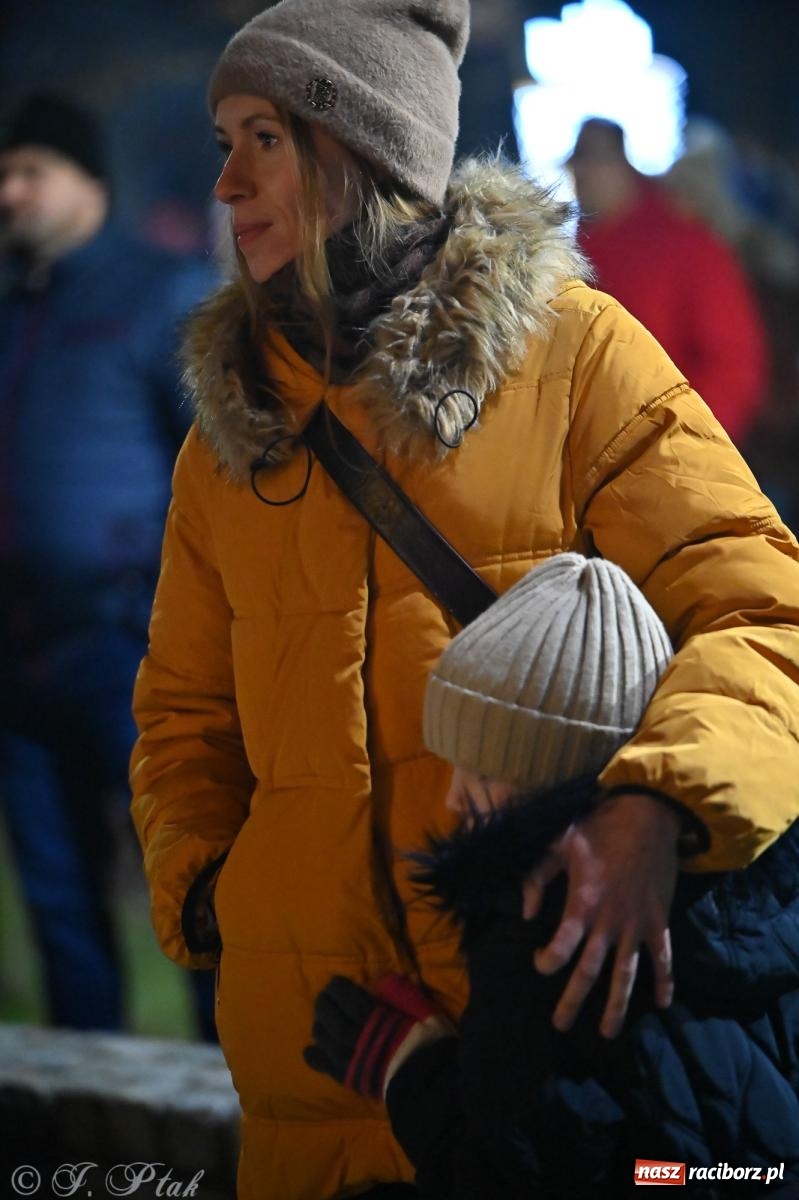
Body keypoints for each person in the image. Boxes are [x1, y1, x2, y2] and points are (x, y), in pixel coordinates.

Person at [129, 2, 799, 1196]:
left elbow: (764, 613)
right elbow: (183, 711)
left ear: (361, 151)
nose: (226, 180)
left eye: (263, 139)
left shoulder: (574, 354)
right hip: (314, 1069)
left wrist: (659, 811)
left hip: (537, 1055)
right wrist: (222, 895)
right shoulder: (231, 428)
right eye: (223, 138)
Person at [305, 554, 799, 1198]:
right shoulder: (756, 889)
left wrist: (410, 1064)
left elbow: (520, 1176)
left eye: (482, 774)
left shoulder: (551, 931)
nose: (456, 799)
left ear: (555, 776)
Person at [0, 93, 217, 1034]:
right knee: (58, 903)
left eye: (30, 172)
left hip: (129, 646)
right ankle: (80, 1124)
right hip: (18, 656)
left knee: (193, 884)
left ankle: (227, 1108)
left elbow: (216, 470)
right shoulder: (11, 309)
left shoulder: (160, 291)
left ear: (88, 180)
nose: (9, 192)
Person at [569, 117, 768, 446]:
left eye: (594, 159)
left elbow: (734, 366)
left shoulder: (689, 246)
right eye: (578, 161)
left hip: (672, 456)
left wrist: (680, 442)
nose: (582, 172)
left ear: (623, 165)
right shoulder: (573, 253)